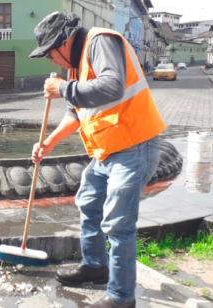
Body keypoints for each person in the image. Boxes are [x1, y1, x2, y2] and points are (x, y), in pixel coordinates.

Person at [29, 12, 166, 308]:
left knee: (118, 224)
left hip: (134, 146)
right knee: (89, 203)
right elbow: (76, 113)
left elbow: (111, 86)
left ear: (63, 42)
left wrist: (62, 89)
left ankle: (121, 296)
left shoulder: (101, 41)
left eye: (49, 53)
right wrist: (48, 143)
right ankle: (95, 266)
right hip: (107, 151)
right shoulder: (75, 66)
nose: (50, 60)